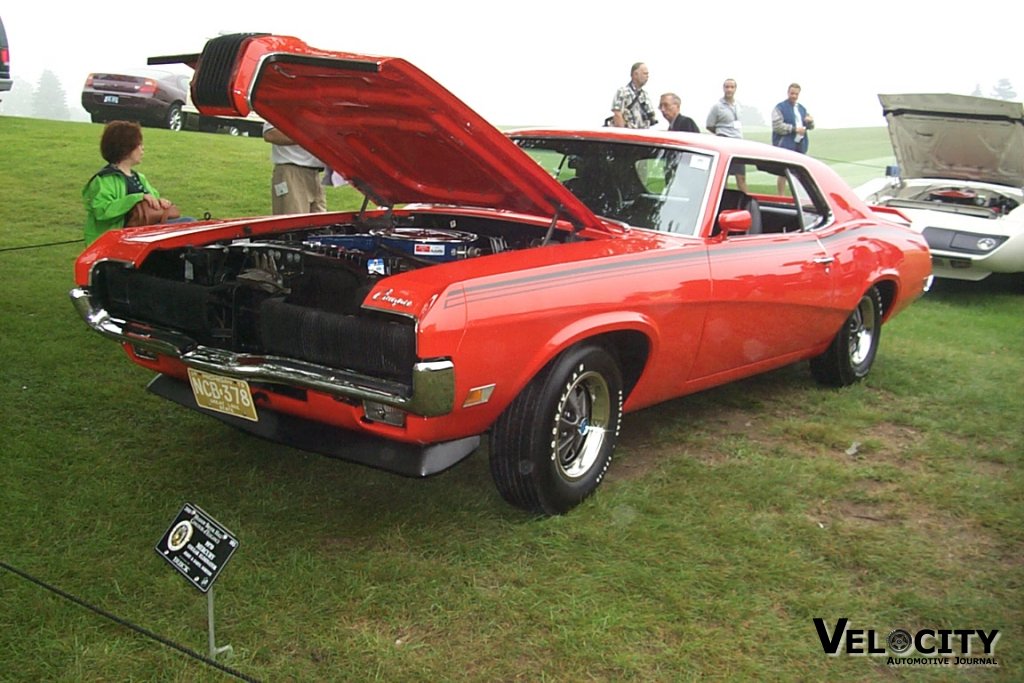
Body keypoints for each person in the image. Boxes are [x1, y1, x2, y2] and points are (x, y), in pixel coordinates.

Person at [82, 121, 181, 246]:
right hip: (116, 241)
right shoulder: (104, 180)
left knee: (189, 226)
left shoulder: (139, 177)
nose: (142, 148)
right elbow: (102, 211)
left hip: (142, 235)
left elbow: (152, 199)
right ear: (126, 148)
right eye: (139, 144)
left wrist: (160, 202)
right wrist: (136, 198)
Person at [263, 122, 327, 214]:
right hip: (291, 172)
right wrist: (310, 136)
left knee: (320, 224)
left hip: (315, 175)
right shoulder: (282, 107)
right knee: (293, 223)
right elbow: (270, 134)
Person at [771, 83, 815, 193]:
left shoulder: (802, 109)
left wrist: (810, 122)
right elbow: (777, 126)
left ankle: (796, 197)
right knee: (783, 172)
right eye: (792, 93)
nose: (794, 96)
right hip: (785, 144)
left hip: (800, 144)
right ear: (788, 93)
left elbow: (810, 126)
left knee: (798, 172)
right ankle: (781, 197)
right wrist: (794, 129)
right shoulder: (780, 107)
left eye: (796, 94)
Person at [706, 78, 747, 192]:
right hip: (724, 141)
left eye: (732, 87)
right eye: (727, 87)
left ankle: (746, 202)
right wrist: (721, 133)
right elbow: (709, 125)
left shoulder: (738, 105)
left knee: (741, 177)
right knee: (724, 177)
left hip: (738, 142)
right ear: (723, 88)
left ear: (735, 89)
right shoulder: (717, 106)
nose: (729, 89)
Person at [610, 63, 657, 129]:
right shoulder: (623, 92)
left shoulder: (645, 94)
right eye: (645, 73)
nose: (647, 76)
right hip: (629, 134)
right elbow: (618, 115)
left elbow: (651, 117)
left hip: (642, 133)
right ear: (635, 74)